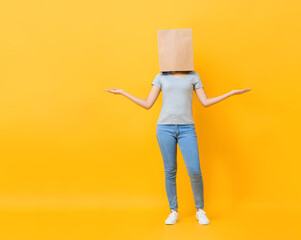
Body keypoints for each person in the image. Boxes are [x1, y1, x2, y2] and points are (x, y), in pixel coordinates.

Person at [104, 71, 251, 225]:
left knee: (194, 170)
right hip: (164, 128)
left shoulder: (193, 76)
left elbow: (205, 102)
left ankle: (200, 210)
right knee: (170, 170)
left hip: (187, 128)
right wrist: (124, 93)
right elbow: (147, 104)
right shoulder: (161, 76)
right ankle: (173, 211)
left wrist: (230, 93)